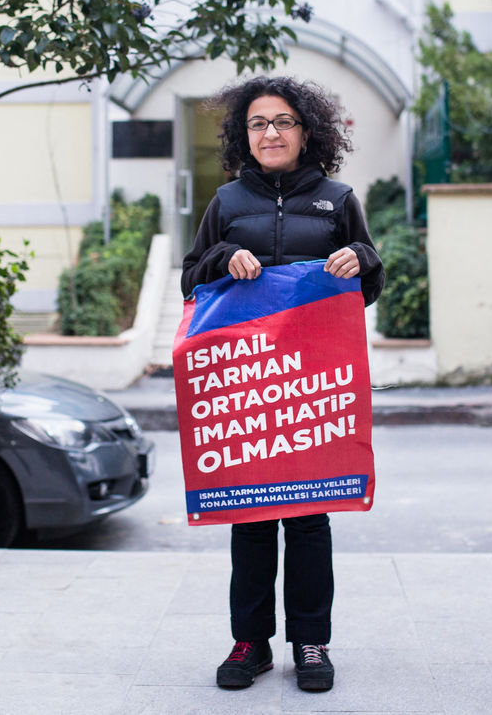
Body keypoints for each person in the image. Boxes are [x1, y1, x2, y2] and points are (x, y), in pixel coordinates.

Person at [181, 76, 384, 694]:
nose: (270, 133)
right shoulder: (226, 203)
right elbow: (191, 280)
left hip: (313, 384)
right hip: (247, 384)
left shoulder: (337, 199)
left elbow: (369, 283)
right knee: (249, 517)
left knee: (308, 519)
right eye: (258, 123)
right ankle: (251, 643)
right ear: (245, 136)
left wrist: (361, 260)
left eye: (283, 122)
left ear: (305, 131)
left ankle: (311, 642)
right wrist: (222, 259)